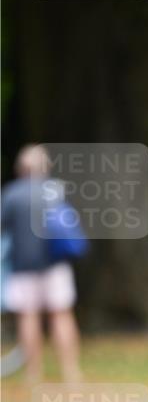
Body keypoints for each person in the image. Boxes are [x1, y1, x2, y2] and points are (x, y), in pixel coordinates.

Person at [1, 145, 82, 383]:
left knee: (28, 317)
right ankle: (71, 372)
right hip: (56, 265)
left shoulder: (11, 194)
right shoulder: (55, 192)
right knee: (62, 315)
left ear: (20, 168)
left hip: (23, 266)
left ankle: (33, 374)